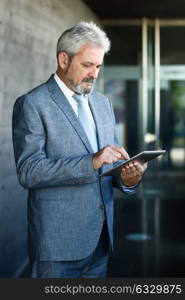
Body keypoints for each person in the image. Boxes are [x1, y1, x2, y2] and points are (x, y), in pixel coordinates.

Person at [12, 21, 147, 278]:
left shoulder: (103, 103)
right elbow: (28, 171)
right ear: (64, 59)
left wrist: (128, 178)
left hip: (100, 243)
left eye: (98, 66)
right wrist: (91, 162)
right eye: (87, 65)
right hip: (57, 248)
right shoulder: (32, 104)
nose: (94, 74)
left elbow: (109, 165)